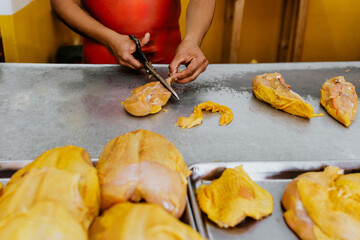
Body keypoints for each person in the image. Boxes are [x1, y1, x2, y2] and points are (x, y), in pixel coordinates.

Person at [50, 0, 215, 84]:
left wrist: (193, 39)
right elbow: (62, 3)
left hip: (170, 68)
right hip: (100, 71)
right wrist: (109, 39)